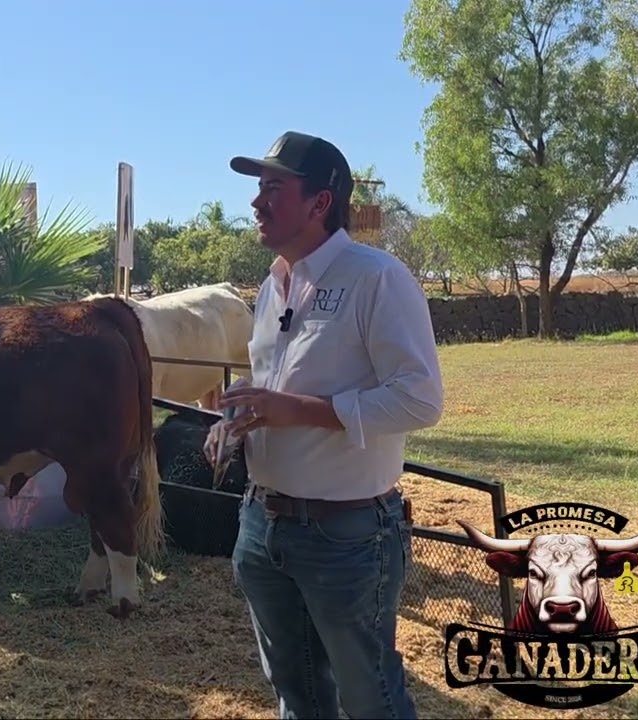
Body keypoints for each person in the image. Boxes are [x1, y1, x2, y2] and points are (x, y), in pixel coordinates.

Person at [205, 131, 443, 720]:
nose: (258, 203)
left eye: (274, 188)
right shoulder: (270, 287)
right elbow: (275, 393)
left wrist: (303, 412)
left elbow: (420, 399)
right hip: (261, 526)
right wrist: (233, 422)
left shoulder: (377, 278)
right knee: (296, 690)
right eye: (258, 189)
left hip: (348, 537)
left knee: (371, 697)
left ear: (320, 203)